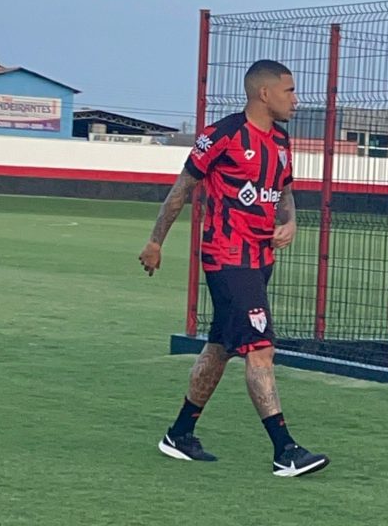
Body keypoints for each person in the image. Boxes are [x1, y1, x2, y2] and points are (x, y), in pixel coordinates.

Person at [138, 59, 329, 477]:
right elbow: (181, 190)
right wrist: (155, 241)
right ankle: (285, 449)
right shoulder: (222, 135)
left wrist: (290, 221)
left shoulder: (280, 139)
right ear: (264, 94)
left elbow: (284, 190)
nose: (296, 100)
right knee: (260, 349)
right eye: (289, 91)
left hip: (260, 259)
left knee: (220, 349)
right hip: (227, 258)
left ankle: (179, 434)